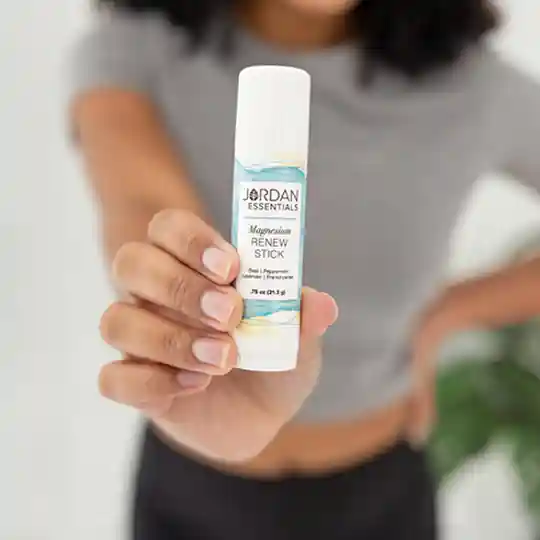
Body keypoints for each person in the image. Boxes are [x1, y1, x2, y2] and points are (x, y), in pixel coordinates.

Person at [69, 0, 540, 538]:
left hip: (382, 499)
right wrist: (181, 297)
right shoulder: (134, 51)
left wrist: (450, 312)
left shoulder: (477, 90)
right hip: (189, 491)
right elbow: (143, 206)